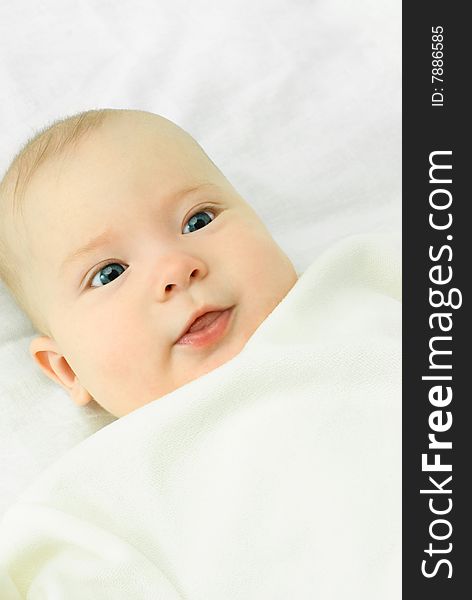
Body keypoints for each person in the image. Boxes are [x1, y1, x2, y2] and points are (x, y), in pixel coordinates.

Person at [0, 108, 298, 417]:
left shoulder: (344, 293)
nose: (176, 269)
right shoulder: (125, 460)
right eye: (109, 274)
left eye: (197, 221)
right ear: (69, 369)